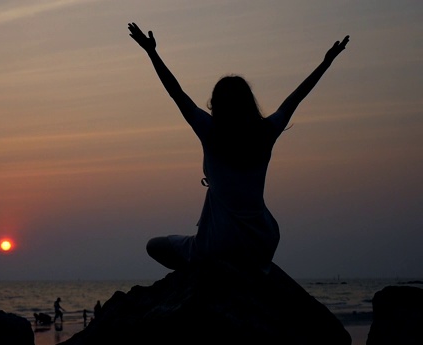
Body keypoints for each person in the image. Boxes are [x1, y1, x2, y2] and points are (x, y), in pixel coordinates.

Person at [128, 22, 349, 274]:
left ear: (216, 104)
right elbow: (296, 97)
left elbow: (175, 92)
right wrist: (326, 62)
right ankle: (241, 268)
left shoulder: (210, 131)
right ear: (248, 103)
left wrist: (151, 52)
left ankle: (217, 269)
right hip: (261, 242)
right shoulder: (266, 132)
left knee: (154, 245)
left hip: (218, 243)